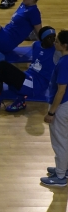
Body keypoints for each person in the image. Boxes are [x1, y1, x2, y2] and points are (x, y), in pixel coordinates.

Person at [41, 30, 68, 187]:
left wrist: (52, 112)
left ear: (64, 46)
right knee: (65, 138)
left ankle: (60, 176)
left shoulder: (64, 63)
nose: (54, 43)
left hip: (62, 105)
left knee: (60, 141)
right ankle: (64, 169)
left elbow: (61, 90)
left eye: (57, 41)